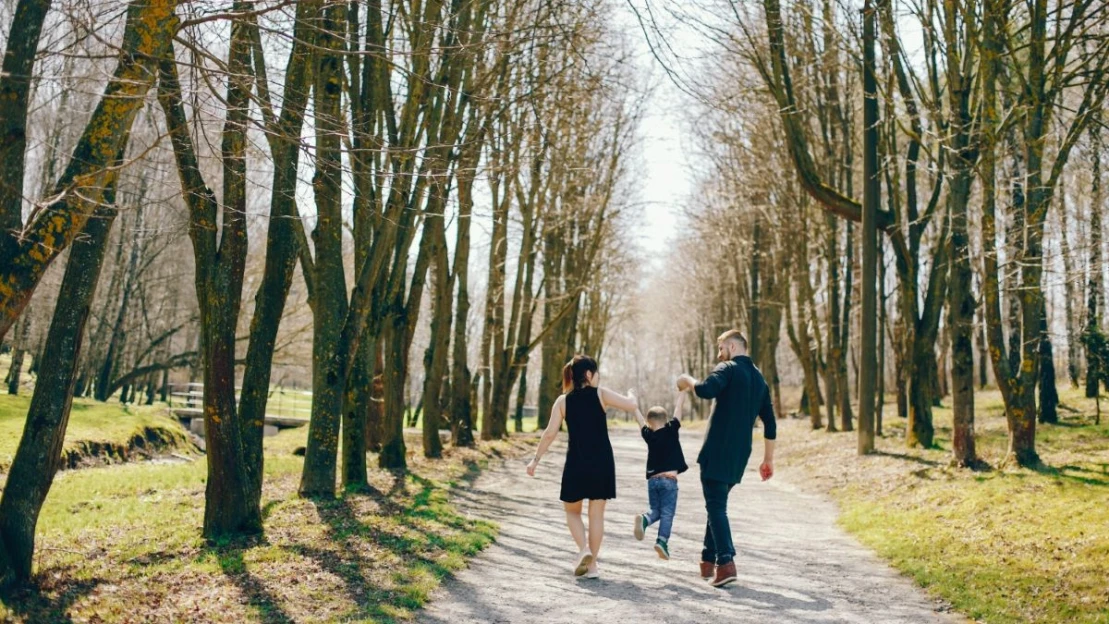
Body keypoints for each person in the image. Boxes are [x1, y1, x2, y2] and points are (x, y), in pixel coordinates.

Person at [677, 329, 777, 588]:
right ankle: (707, 560)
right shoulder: (759, 380)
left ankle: (726, 562)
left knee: (716, 506)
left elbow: (705, 390)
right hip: (739, 456)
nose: (719, 355)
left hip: (717, 451)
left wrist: (686, 380)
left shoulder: (729, 368)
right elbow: (771, 423)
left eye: (721, 349)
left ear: (732, 347)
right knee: (717, 503)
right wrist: (768, 460)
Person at [526, 355, 640, 579]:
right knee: (596, 515)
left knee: (572, 511)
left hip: (576, 462)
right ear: (589, 375)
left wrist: (535, 460)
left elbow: (549, 434)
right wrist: (631, 394)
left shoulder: (563, 401)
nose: (598, 378)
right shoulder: (601, 394)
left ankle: (583, 550)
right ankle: (593, 566)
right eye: (597, 374)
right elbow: (631, 405)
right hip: (602, 463)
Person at [632, 390, 689, 560]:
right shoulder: (671, 429)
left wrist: (633, 404)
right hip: (669, 481)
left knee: (656, 511)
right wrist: (683, 392)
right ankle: (662, 541)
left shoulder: (649, 435)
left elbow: (639, 420)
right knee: (667, 513)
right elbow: (678, 409)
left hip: (653, 481)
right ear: (666, 420)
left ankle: (644, 519)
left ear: (650, 424)